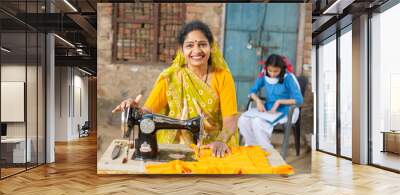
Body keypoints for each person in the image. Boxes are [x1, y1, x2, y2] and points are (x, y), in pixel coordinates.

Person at [113, 20, 238, 158]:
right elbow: (146, 114)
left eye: (202, 44)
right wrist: (133, 108)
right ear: (182, 50)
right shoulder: (171, 78)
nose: (196, 50)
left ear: (211, 47)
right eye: (190, 45)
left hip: (215, 144)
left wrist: (220, 141)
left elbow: (230, 120)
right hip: (179, 143)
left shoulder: (223, 77)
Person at [238, 54, 304, 151]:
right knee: (243, 119)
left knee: (257, 121)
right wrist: (258, 101)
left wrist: (279, 102)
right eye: (270, 70)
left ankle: (267, 149)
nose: (272, 74)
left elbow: (299, 100)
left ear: (281, 69)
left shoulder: (288, 78)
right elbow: (252, 91)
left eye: (276, 71)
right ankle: (254, 146)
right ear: (266, 68)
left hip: (286, 110)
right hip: (268, 108)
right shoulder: (264, 75)